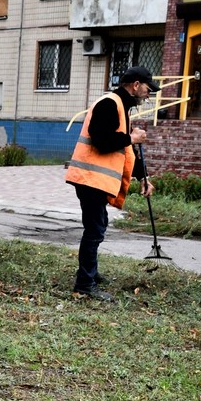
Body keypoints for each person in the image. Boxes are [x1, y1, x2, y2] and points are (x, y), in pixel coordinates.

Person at [65, 66, 158, 302]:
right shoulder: (109, 103)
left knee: (98, 226)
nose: (149, 95)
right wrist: (131, 137)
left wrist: (143, 176)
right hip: (89, 179)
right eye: (148, 89)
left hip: (96, 180)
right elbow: (102, 140)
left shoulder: (121, 107)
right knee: (94, 230)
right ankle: (84, 284)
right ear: (136, 85)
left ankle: (91, 274)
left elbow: (125, 151)